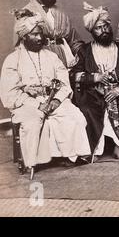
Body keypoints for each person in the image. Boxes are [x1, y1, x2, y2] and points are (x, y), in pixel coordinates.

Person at [0, 9, 90, 170]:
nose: (40, 37)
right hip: (27, 104)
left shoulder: (51, 56)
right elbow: (10, 93)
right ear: (24, 36)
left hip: (53, 100)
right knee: (33, 121)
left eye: (40, 33)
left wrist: (56, 100)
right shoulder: (13, 60)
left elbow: (63, 82)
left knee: (75, 116)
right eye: (34, 34)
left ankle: (70, 155)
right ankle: (34, 162)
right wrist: (36, 105)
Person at [71, 2, 119, 160]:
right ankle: (95, 150)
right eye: (98, 28)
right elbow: (73, 75)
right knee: (86, 110)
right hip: (94, 94)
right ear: (92, 31)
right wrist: (95, 77)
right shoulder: (84, 51)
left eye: (106, 26)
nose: (104, 31)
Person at [23, 0, 84, 67]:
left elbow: (73, 39)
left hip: (64, 57)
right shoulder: (26, 12)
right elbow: (21, 45)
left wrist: (84, 54)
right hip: (40, 59)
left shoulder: (60, 13)